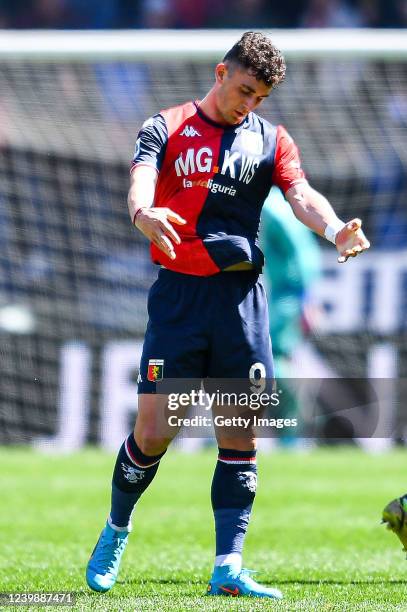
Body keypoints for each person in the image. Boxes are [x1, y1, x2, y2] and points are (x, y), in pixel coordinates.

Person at [86, 31, 370, 599]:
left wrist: (336, 226)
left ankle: (229, 567)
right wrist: (142, 212)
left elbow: (301, 194)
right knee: (154, 433)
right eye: (244, 90)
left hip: (242, 304)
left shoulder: (271, 140)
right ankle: (116, 529)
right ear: (221, 73)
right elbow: (141, 174)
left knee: (240, 438)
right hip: (180, 299)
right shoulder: (165, 125)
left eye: (260, 97)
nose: (249, 104)